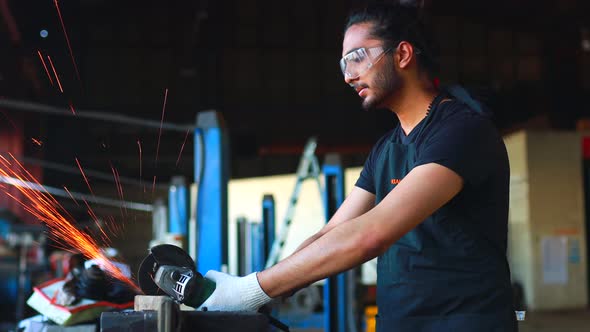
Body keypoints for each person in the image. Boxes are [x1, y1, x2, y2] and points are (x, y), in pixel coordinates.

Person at [199, 3, 517, 331]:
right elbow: (331, 233)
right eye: (344, 64)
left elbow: (371, 234)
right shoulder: (385, 149)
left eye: (358, 57)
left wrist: (248, 290)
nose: (349, 76)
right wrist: (262, 291)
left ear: (403, 54)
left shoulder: (460, 131)